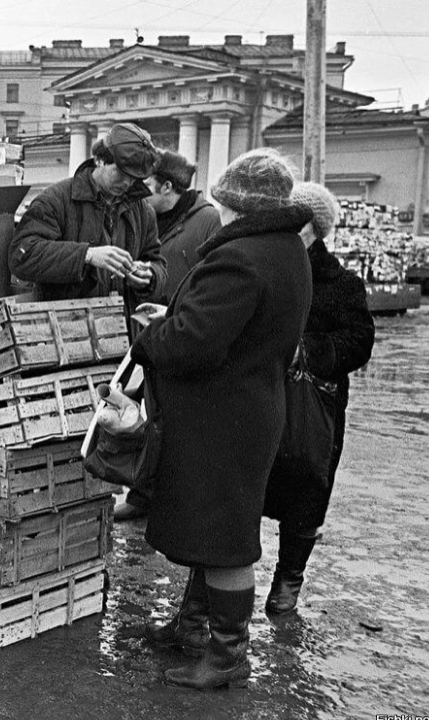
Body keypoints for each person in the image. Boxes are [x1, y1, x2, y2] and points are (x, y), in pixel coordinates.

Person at [130, 149, 313, 690]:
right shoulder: (287, 249)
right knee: (209, 528)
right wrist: (180, 313)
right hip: (245, 412)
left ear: (236, 203)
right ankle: (191, 628)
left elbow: (193, 343)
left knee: (226, 538)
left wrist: (152, 338)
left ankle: (227, 653)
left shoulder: (241, 256)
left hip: (221, 420)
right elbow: (238, 324)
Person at [261, 182, 375, 615]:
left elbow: (359, 340)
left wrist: (309, 351)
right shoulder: (268, 265)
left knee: (308, 484)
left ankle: (288, 579)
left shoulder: (340, 281)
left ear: (311, 226)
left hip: (316, 403)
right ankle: (224, 578)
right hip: (263, 392)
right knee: (249, 481)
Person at [115, 149, 222, 522]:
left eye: (146, 185)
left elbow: (212, 284)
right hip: (147, 331)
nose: (140, 192)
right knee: (144, 414)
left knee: (170, 422)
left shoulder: (208, 221)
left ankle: (159, 499)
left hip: (180, 335)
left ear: (167, 186)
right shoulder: (152, 217)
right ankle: (142, 494)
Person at [8, 122, 166, 308]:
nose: (127, 183)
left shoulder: (143, 211)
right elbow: (22, 256)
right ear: (99, 159)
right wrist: (87, 255)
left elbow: (157, 263)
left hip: (122, 330)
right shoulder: (55, 199)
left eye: (134, 177)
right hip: (70, 328)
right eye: (120, 173)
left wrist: (150, 276)